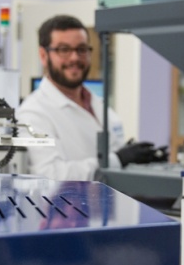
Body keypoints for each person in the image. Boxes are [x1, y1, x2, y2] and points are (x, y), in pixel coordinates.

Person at [16, 15, 165, 180]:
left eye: (81, 49)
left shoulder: (96, 103)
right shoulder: (33, 113)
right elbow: (50, 175)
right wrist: (119, 159)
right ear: (43, 55)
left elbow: (113, 151)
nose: (74, 58)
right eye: (64, 49)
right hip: (67, 205)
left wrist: (142, 158)